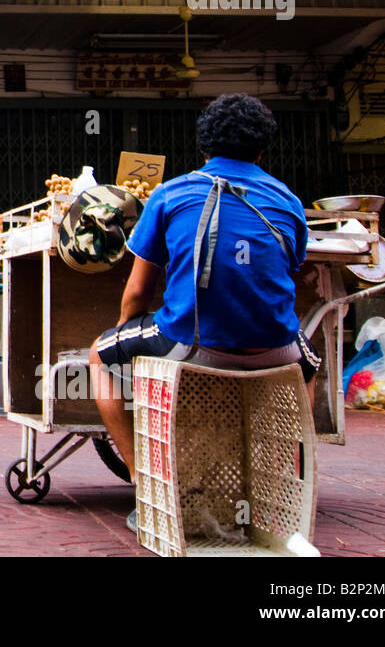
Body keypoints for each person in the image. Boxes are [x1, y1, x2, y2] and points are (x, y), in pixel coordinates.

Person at [88, 94, 318, 528]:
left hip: (189, 347)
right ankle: (291, 479)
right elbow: (281, 273)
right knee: (310, 365)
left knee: (99, 356)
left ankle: (143, 480)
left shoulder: (171, 194)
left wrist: (128, 342)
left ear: (203, 147)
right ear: (261, 150)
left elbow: (137, 293)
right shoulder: (287, 200)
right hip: (276, 354)